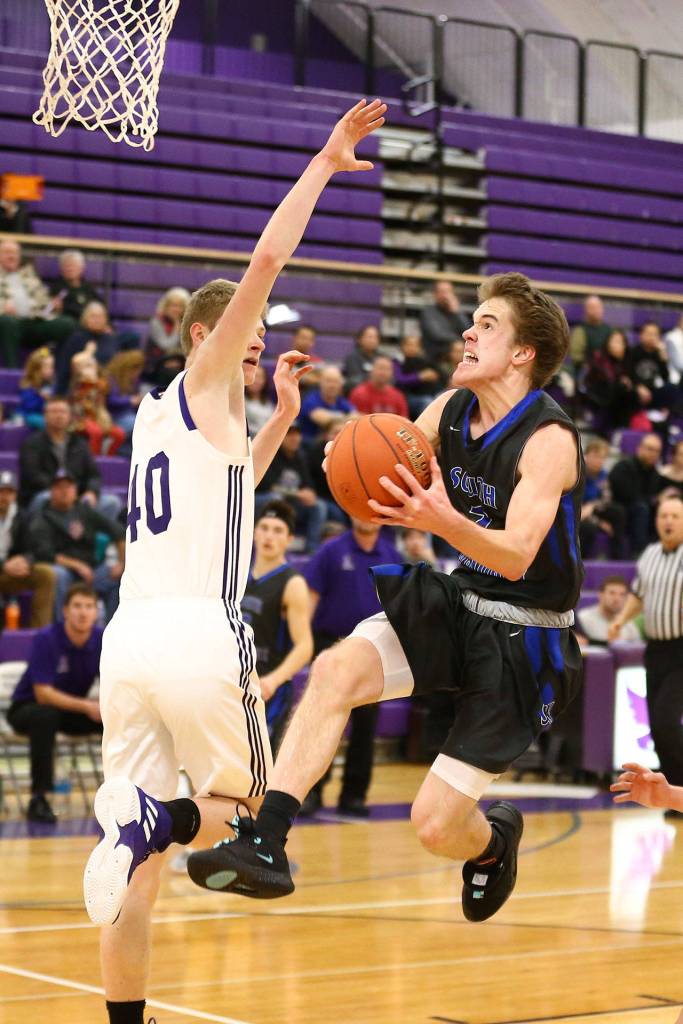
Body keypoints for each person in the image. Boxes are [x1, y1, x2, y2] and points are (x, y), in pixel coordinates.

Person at [80, 97, 386, 1024]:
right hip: (199, 634)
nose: (258, 356)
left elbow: (229, 485)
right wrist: (325, 164)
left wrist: (286, 419)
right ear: (209, 339)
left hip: (131, 640)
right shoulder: (210, 368)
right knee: (252, 811)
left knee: (134, 875)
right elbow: (264, 260)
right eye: (251, 345)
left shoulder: (157, 417)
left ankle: (125, 1002)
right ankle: (158, 822)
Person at [188, 271, 585, 925]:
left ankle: (492, 844)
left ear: (522, 354)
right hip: (462, 598)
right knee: (335, 667)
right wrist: (345, 451)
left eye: (487, 325)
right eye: (472, 319)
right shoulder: (451, 409)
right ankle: (267, 840)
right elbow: (390, 455)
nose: (467, 329)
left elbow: (515, 554)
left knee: (433, 826)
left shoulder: (548, 440)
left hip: (528, 635)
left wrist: (439, 522)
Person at [298, 517, 401, 817]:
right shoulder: (331, 552)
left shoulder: (391, 556)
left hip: (374, 650)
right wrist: (301, 644)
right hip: (331, 645)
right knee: (323, 724)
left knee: (365, 729)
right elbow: (310, 601)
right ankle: (311, 792)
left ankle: (354, 796)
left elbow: (399, 606)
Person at [608, 494, 683, 818]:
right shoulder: (650, 554)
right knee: (656, 724)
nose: (668, 521)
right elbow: (638, 595)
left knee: (667, 720)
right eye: (664, 515)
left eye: (676, 516)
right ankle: (673, 795)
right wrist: (621, 619)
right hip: (656, 650)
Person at [6, 584, 103, 824]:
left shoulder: (103, 639)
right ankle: (39, 799)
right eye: (77, 606)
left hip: (68, 711)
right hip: (27, 709)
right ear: (65, 611)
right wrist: (87, 706)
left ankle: (127, 794)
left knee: (117, 719)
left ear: (96, 612)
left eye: (89, 606)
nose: (83, 612)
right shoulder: (47, 638)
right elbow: (43, 694)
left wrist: (105, 706)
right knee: (45, 715)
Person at [241, 500, 313, 752]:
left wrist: (273, 681)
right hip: (231, 685)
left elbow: (305, 646)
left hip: (268, 691)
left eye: (278, 530)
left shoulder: (292, 583)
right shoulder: (236, 577)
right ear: (253, 533)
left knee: (261, 772)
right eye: (264, 527)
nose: (269, 536)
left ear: (289, 539)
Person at [27, 468, 125, 622]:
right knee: (57, 575)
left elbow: (118, 531)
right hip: (65, 570)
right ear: (51, 490)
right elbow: (43, 553)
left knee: (118, 577)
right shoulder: (43, 516)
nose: (64, 491)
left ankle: (111, 628)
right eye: (59, 487)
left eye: (69, 487)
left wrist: (121, 562)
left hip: (93, 571)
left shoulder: (83, 510)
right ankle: (63, 628)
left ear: (75, 490)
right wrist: (77, 565)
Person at [19, 395, 121, 521]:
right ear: (45, 416)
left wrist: (91, 492)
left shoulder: (80, 444)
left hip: (77, 497)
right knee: (43, 498)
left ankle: (92, 539)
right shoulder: (32, 444)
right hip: (47, 495)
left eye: (63, 412)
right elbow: (33, 476)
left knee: (111, 502)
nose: (59, 416)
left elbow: (94, 475)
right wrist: (62, 491)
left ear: (69, 416)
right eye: (54, 412)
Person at [0, 238, 75, 367]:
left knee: (67, 324)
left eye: (14, 253)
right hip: (9, 323)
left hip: (34, 320)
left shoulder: (29, 274)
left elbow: (43, 300)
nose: (11, 256)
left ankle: (60, 370)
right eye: (7, 252)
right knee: (7, 321)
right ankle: (12, 372)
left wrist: (52, 305)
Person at [255, 421, 327, 552]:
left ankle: (311, 550)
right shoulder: (270, 453)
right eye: (289, 434)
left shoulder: (300, 457)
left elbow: (308, 483)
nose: (294, 438)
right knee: (275, 498)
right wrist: (298, 494)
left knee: (319, 506)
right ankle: (269, 545)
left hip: (290, 503)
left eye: (297, 434)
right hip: (263, 501)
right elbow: (268, 485)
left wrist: (309, 493)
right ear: (281, 436)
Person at [0, 469, 55, 626]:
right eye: (1, 491)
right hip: (5, 568)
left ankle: (39, 631)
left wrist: (25, 560)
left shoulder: (23, 516)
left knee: (46, 574)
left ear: (15, 495)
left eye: (9, 492)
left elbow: (35, 549)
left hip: (12, 573)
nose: (4, 496)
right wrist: (4, 564)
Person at [55, 301, 139, 394]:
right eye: (93, 316)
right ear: (85, 318)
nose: (97, 320)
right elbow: (64, 369)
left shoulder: (111, 339)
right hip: (81, 388)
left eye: (100, 317)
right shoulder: (75, 339)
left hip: (108, 390)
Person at [608, 433, 665, 555]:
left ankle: (662, 551)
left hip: (644, 512)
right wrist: (652, 499)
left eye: (657, 451)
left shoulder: (655, 474)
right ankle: (639, 553)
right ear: (639, 448)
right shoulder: (623, 466)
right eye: (650, 449)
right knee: (641, 508)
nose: (653, 454)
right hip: (622, 509)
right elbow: (626, 495)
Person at [69, 347, 126, 456]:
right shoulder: (75, 385)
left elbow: (102, 397)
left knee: (119, 434)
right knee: (96, 432)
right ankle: (94, 461)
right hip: (78, 419)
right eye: (87, 366)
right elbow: (78, 405)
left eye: (93, 365)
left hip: (96, 417)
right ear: (77, 369)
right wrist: (88, 382)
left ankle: (107, 460)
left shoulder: (99, 384)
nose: (91, 369)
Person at [579, 438, 627, 559]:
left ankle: (617, 557)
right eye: (595, 456)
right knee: (588, 528)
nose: (598, 461)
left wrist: (593, 505)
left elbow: (606, 499)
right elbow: (577, 507)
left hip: (593, 509)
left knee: (618, 511)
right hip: (578, 512)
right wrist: (600, 523)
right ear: (586, 455)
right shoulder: (578, 474)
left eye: (602, 457)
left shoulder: (604, 475)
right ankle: (580, 561)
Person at [574, 575, 640, 647]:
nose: (617, 598)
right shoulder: (582, 619)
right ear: (601, 595)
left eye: (622, 594)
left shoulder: (629, 624)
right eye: (612, 593)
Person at [300, 364, 355, 442]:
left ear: (341, 385)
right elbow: (325, 420)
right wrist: (346, 417)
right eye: (328, 381)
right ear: (320, 382)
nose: (332, 385)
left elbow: (356, 417)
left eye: (336, 382)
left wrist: (336, 418)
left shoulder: (340, 401)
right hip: (310, 445)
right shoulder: (311, 399)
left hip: (334, 443)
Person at [143, 286, 189, 376]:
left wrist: (178, 360)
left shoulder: (188, 324)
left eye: (180, 306)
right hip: (157, 365)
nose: (176, 309)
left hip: (180, 363)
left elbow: (188, 349)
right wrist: (176, 326)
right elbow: (166, 345)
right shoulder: (156, 322)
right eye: (173, 305)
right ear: (165, 306)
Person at [392, 334, 441, 418]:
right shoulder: (397, 361)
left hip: (424, 393)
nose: (412, 348)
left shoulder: (423, 361)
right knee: (426, 402)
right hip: (403, 396)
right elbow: (399, 380)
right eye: (409, 344)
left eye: (416, 345)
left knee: (441, 398)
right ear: (402, 346)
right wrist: (420, 377)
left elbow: (437, 375)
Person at [419, 280, 468, 362]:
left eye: (448, 292)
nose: (446, 295)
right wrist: (459, 340)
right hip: (436, 358)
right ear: (435, 294)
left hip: (458, 359)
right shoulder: (428, 312)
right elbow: (438, 335)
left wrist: (457, 313)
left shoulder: (457, 312)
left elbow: (468, 330)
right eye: (442, 292)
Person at [49, 249, 104, 322]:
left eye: (73, 265)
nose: (70, 269)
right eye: (66, 266)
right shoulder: (56, 288)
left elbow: (101, 306)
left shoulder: (88, 287)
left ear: (81, 268)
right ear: (61, 269)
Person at [569, 294, 611, 371]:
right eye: (592, 307)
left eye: (599, 307)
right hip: (587, 373)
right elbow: (576, 357)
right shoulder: (580, 330)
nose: (596, 310)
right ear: (586, 310)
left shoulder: (609, 330)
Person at [18, 346, 55, 429]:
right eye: (48, 367)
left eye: (52, 366)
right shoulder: (27, 385)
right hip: (30, 415)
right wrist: (41, 398)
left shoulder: (52, 384)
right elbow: (28, 406)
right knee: (46, 422)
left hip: (47, 414)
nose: (52, 370)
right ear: (36, 369)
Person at [342, 324, 382, 391]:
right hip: (358, 394)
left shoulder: (382, 358)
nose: (372, 340)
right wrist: (376, 377)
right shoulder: (352, 357)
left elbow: (390, 379)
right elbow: (355, 381)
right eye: (370, 337)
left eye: (375, 337)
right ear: (359, 339)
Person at [245, 363, 275, 436]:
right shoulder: (239, 402)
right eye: (254, 376)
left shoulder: (269, 403)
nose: (256, 381)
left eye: (260, 377)